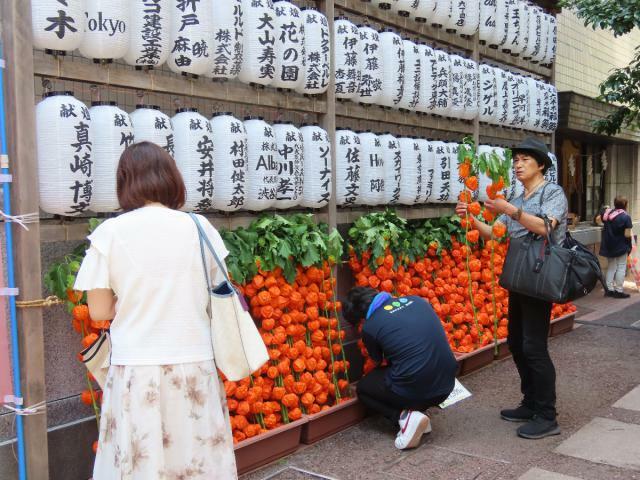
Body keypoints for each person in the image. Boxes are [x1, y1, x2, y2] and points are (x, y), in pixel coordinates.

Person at [74, 142, 237, 479]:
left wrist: (131, 299)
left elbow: (99, 310)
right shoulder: (199, 227)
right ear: (172, 178)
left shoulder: (110, 234)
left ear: (124, 181)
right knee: (197, 460)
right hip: (194, 362)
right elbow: (217, 291)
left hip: (136, 368)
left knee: (140, 465)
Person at [456, 137, 568, 440]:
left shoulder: (552, 193)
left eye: (525, 160)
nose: (518, 165)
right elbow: (495, 234)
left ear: (541, 165)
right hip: (519, 278)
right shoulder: (516, 199)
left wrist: (512, 211)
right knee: (517, 342)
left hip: (540, 277)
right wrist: (472, 217)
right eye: (516, 160)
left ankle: (547, 415)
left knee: (534, 346)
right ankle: (530, 402)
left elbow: (547, 227)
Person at [342, 287, 458, 450]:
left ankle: (405, 417)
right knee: (407, 367)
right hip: (447, 385)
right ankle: (419, 416)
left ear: (360, 320)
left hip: (417, 389)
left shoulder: (371, 326)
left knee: (364, 389)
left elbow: (378, 362)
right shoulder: (417, 300)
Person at [597, 196, 633, 298]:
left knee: (611, 267)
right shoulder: (626, 217)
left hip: (609, 245)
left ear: (615, 204)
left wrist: (604, 210)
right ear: (625, 205)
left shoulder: (608, 214)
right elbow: (627, 235)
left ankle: (609, 290)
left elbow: (598, 219)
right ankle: (619, 291)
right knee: (621, 268)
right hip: (621, 246)